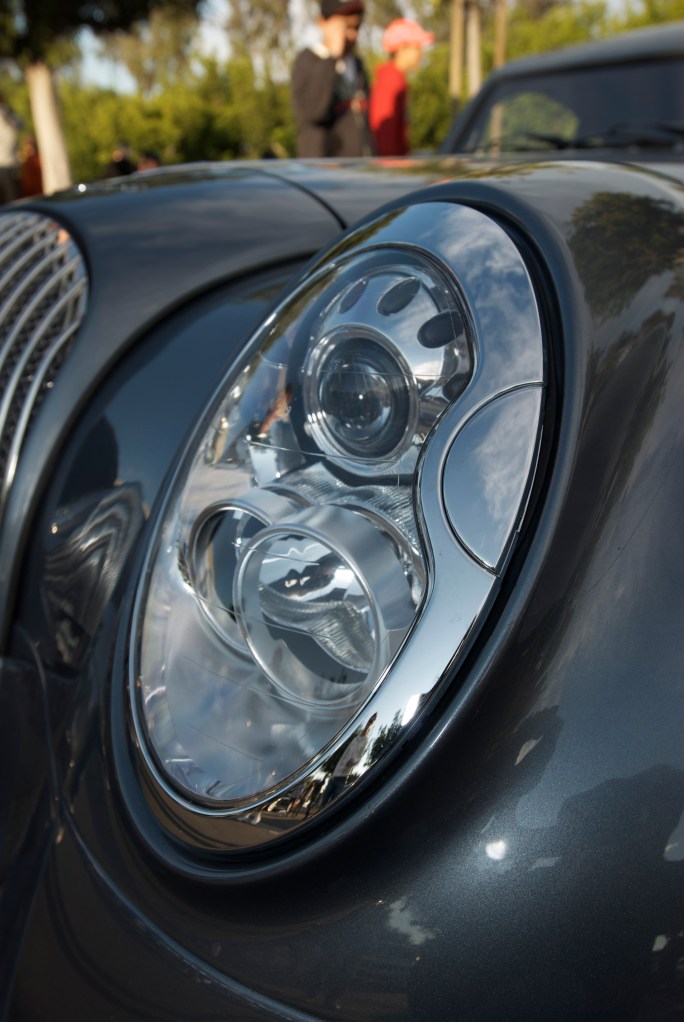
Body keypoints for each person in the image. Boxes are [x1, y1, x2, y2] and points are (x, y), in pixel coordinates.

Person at [291, 0, 375, 158]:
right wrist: (332, 58)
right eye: (345, 27)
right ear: (322, 23)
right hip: (325, 172)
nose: (352, 35)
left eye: (356, 27)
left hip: (359, 168)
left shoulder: (356, 64)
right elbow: (313, 111)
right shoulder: (307, 61)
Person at [369, 18, 434, 157]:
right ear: (402, 48)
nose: (421, 54)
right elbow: (386, 140)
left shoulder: (396, 80)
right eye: (417, 47)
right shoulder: (390, 83)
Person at [0, 94, 23, 204]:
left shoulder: (5, 112)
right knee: (12, 205)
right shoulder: (6, 112)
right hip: (7, 166)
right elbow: (20, 125)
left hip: (8, 166)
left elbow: (20, 125)